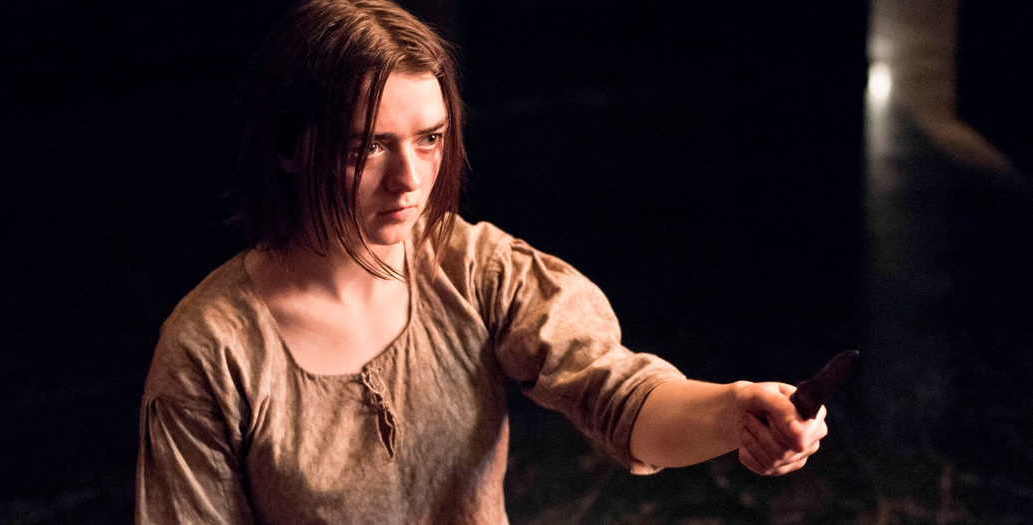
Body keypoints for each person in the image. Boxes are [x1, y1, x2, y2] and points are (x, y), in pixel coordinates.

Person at [135, 0, 828, 522]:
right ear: (289, 148)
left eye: (429, 138)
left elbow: (618, 395)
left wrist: (736, 411)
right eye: (366, 147)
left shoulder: (473, 267)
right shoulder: (211, 351)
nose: (410, 179)